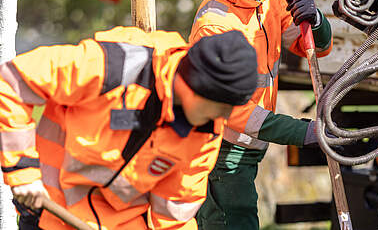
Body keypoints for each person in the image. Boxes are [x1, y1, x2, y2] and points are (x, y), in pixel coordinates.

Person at [0, 26, 258, 230]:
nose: (225, 117)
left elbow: (174, 216)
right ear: (195, 87)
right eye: (222, 107)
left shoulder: (205, 134)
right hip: (49, 210)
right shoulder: (112, 66)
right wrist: (23, 172)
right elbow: (11, 82)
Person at [189, 0, 333, 229]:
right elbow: (232, 110)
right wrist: (301, 132)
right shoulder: (214, 25)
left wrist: (315, 21)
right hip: (221, 154)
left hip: (246, 148)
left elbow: (313, 48)